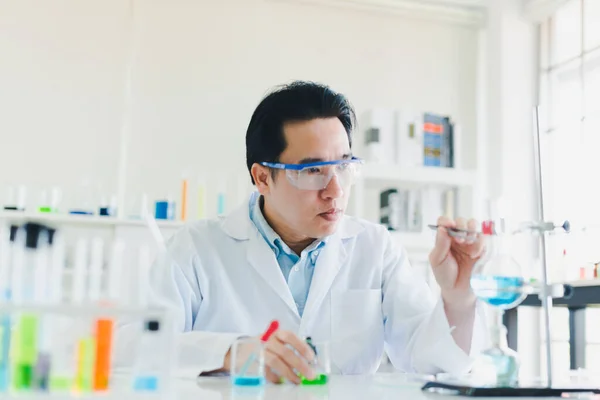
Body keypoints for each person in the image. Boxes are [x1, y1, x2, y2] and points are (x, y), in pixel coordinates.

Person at [115, 81, 488, 383]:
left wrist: (457, 297)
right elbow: (129, 347)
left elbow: (434, 364)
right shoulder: (196, 248)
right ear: (262, 177)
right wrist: (230, 352)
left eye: (343, 166)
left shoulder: (375, 247)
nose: (335, 189)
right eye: (313, 171)